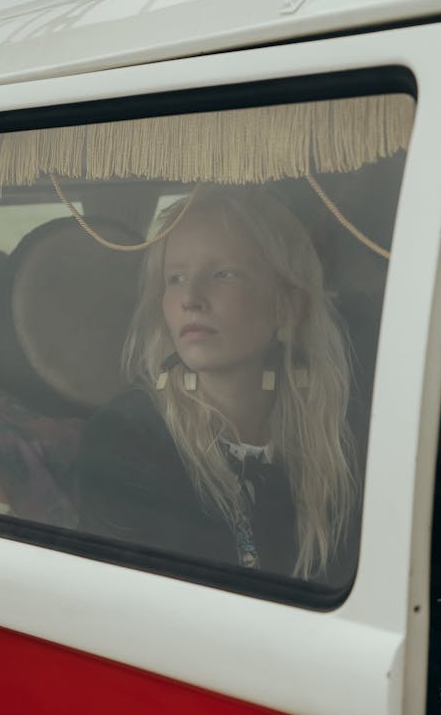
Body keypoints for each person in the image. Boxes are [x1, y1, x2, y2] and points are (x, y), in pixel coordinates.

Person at [78, 184, 357, 582]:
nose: (191, 297)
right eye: (174, 278)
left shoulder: (334, 436)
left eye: (224, 274)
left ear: (287, 307)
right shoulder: (126, 438)